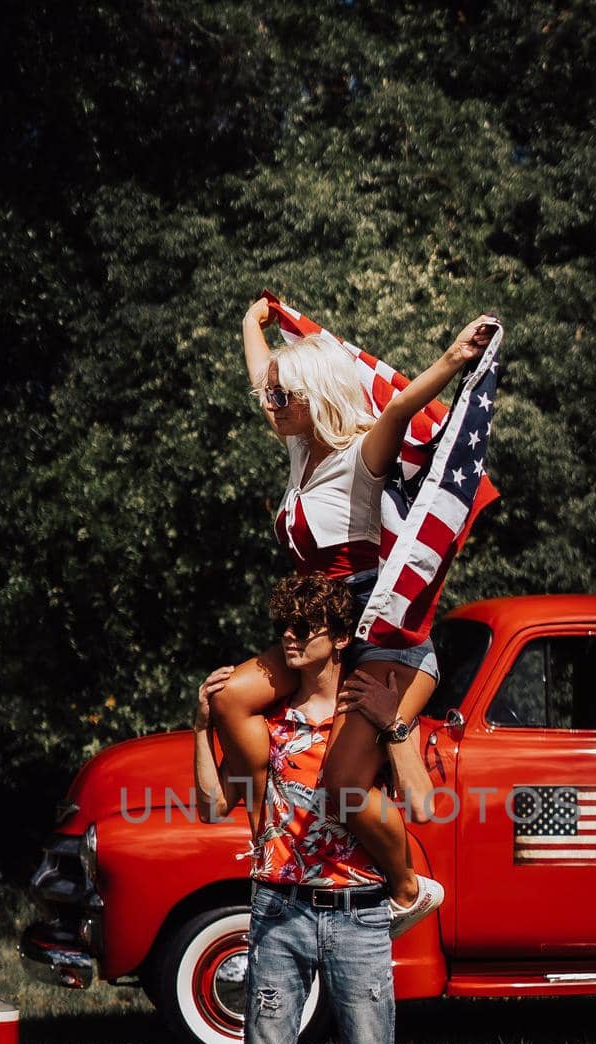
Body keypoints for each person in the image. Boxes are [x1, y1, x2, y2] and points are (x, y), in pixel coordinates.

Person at [210, 295, 496, 939]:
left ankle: (407, 888)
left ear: (317, 397)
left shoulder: (359, 459)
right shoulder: (299, 450)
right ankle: (267, 835)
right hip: (321, 634)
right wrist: (248, 324)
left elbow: (398, 407)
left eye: (283, 397)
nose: (269, 404)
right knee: (231, 700)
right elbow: (263, 376)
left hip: (385, 636)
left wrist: (454, 357)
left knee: (342, 785)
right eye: (271, 396)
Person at [193, 573, 434, 1044]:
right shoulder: (266, 724)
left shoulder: (366, 720)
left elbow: (418, 804)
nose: (289, 639)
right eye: (285, 627)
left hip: (358, 917)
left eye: (306, 628)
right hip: (279, 909)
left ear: (339, 640)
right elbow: (215, 804)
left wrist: (394, 726)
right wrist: (201, 724)